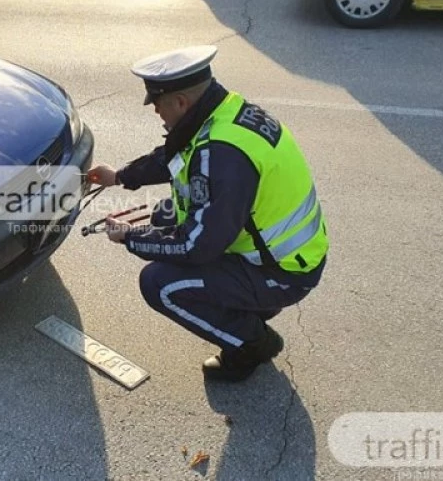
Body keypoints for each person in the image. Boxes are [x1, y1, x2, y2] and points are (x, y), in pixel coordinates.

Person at [87, 45, 328, 382]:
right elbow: (173, 157)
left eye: (157, 103)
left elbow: (195, 247)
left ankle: (251, 344)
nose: (155, 111)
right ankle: (247, 307)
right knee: (164, 215)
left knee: (159, 284)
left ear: (181, 102)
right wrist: (119, 176)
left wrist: (130, 237)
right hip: (278, 249)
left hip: (282, 270)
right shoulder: (223, 113)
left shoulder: (223, 154)